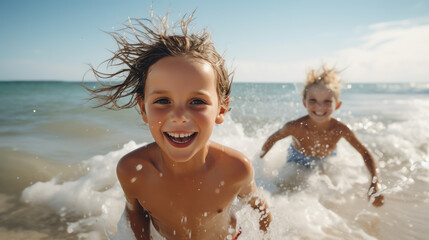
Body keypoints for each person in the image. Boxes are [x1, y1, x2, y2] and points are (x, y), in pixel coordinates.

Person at [85, 13, 271, 239]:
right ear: (143, 109)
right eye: (163, 101)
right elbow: (135, 215)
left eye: (197, 102)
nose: (179, 116)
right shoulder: (133, 170)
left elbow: (261, 211)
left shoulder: (235, 169)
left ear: (221, 109)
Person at [259, 65, 384, 207]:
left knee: (326, 192)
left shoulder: (341, 129)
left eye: (327, 101)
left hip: (326, 159)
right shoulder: (294, 127)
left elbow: (365, 153)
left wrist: (375, 183)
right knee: (287, 188)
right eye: (313, 100)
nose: (319, 107)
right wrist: (259, 162)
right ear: (304, 102)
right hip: (297, 158)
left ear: (337, 105)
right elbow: (272, 139)